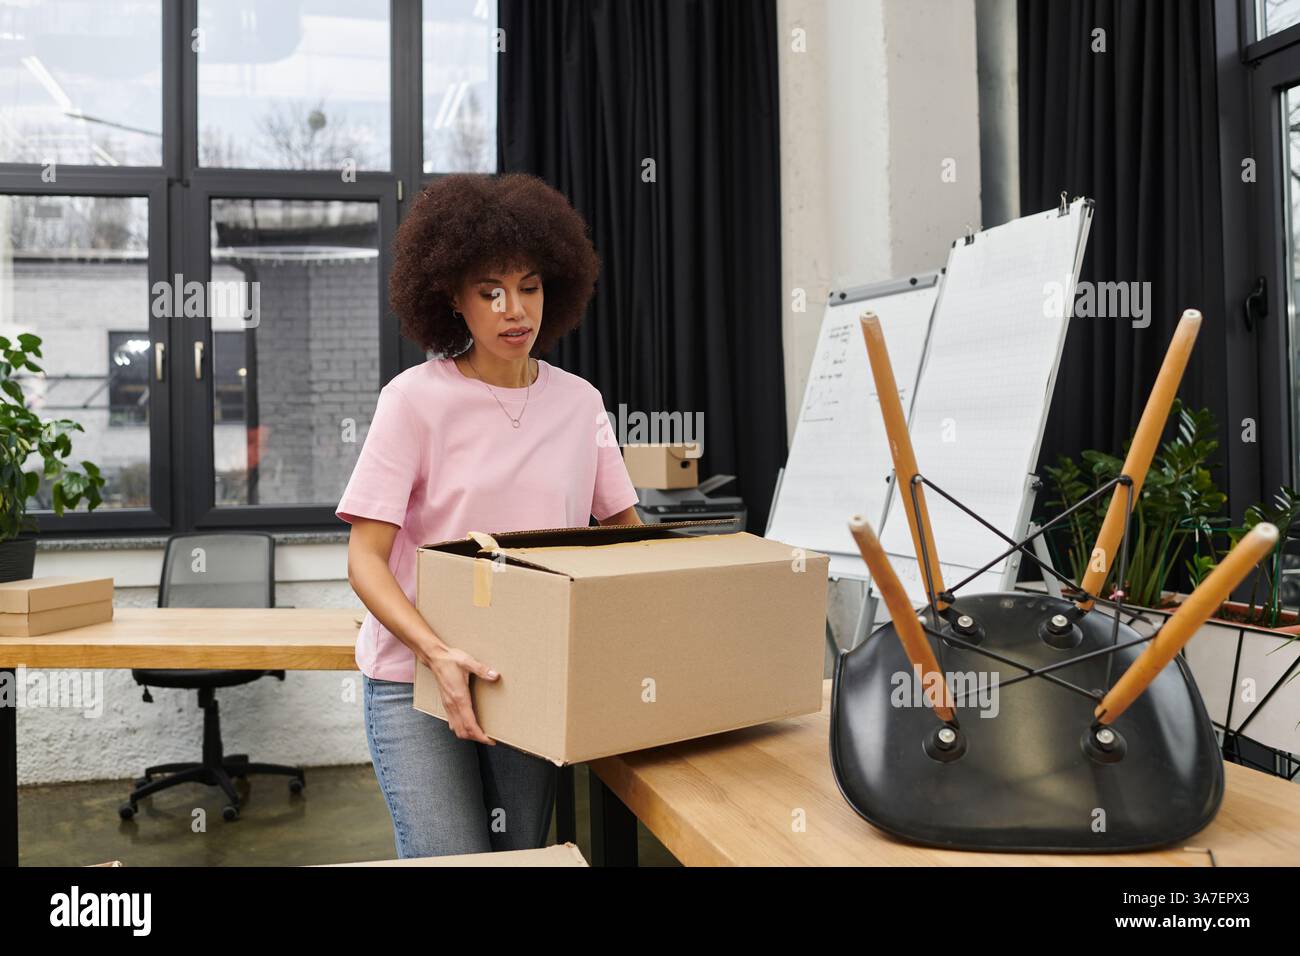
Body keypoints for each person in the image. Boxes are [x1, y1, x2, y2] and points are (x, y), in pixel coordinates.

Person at [336, 173, 641, 858]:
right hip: (414, 678)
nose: (515, 309)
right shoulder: (413, 401)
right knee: (452, 856)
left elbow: (627, 537)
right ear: (451, 297)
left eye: (529, 287)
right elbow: (365, 560)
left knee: (519, 858)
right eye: (490, 291)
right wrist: (438, 653)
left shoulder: (579, 403)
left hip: (525, 677)